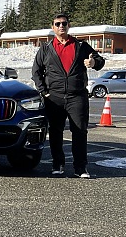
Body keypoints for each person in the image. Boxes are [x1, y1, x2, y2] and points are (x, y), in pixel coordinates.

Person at [32, 13, 105, 178]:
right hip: (54, 97)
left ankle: (81, 168)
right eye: (57, 24)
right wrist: (44, 91)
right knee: (56, 132)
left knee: (80, 131)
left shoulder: (81, 46)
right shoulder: (46, 49)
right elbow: (36, 72)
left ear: (68, 25)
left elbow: (100, 60)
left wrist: (94, 63)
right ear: (52, 28)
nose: (61, 26)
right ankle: (57, 164)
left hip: (77, 96)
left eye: (64, 23)